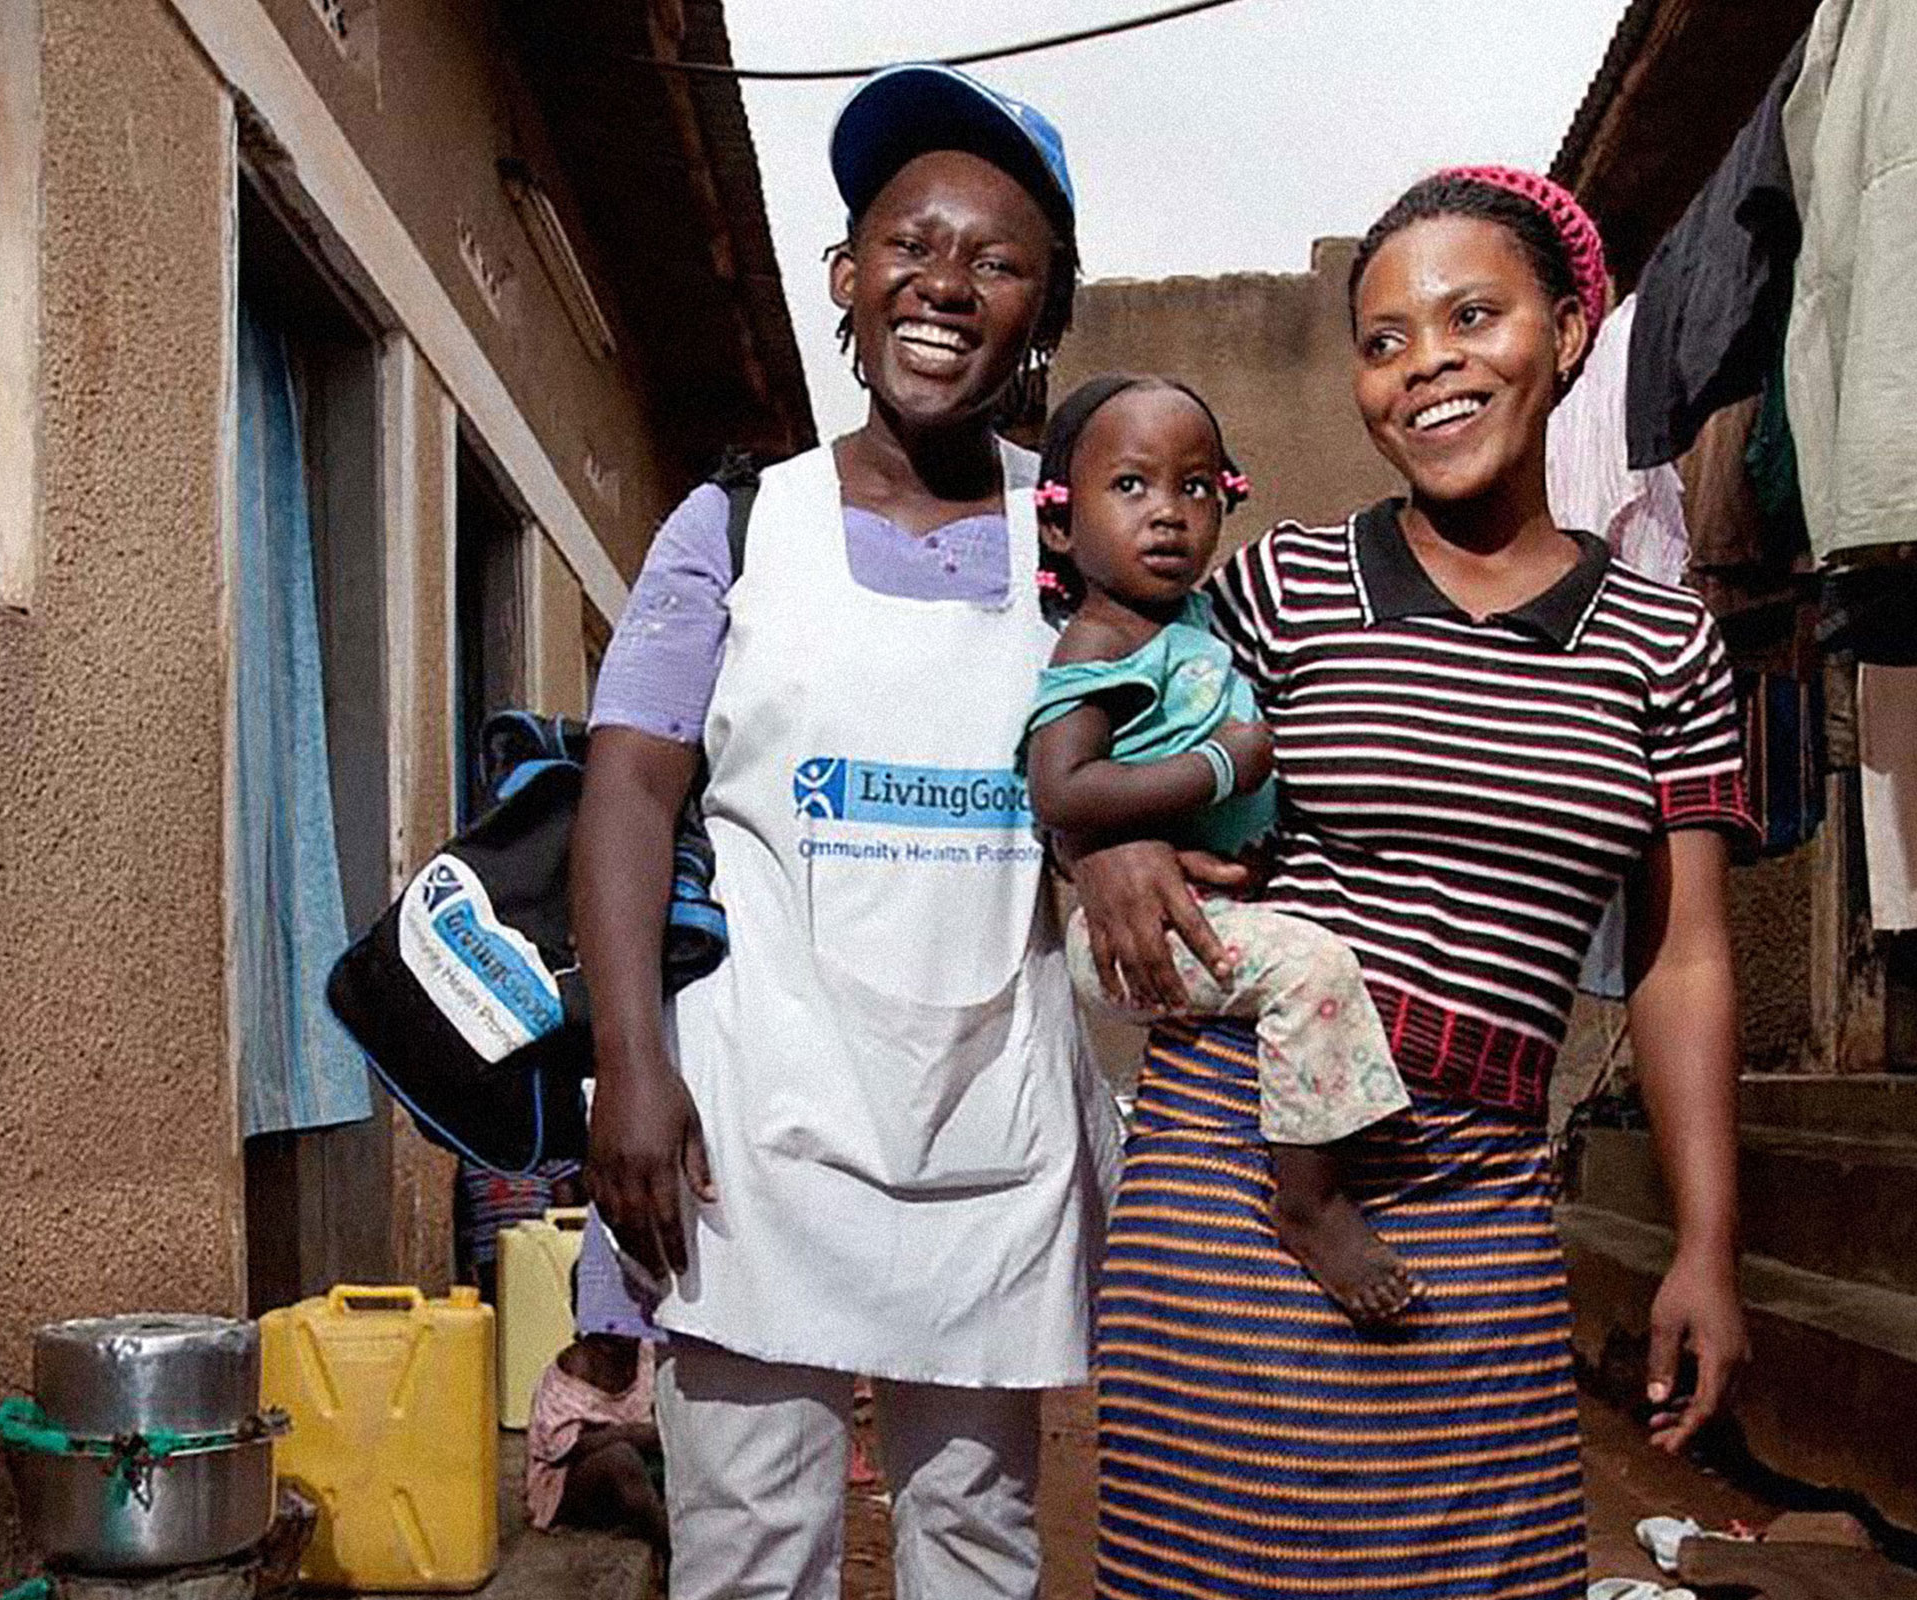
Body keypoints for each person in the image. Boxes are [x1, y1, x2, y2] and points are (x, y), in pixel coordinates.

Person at [1071, 168, 1752, 1598]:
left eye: (1472, 317)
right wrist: (1106, 839)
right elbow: (1089, 700)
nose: (1427, 363)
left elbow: (1683, 956)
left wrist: (1706, 1242)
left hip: (1482, 1191)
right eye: (1385, 341)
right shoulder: (1281, 588)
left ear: (1569, 333)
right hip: (1236, 1168)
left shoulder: (1666, 645)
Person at [570, 64, 1116, 1600]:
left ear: (1045, 314)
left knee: (976, 1540)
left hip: (994, 1132)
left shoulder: (1079, 539)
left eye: (997, 261)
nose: (944, 283)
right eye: (908, 244)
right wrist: (631, 1062)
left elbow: (1154, 778)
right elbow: (630, 789)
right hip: (754, 1128)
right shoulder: (739, 527)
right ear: (846, 277)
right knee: (750, 1545)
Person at [1018, 374, 1420, 1324]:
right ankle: (1309, 1201)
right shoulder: (1098, 646)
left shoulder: (1190, 622)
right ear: (1061, 525)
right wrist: (1219, 767)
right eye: (1131, 486)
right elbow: (1060, 787)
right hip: (1136, 929)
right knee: (1311, 970)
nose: (1167, 513)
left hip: (1202, 906)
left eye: (1194, 487)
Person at [523, 1331, 664, 1557]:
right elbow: (558, 1446)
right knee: (620, 1459)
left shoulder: (646, 1354)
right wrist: (627, 1434)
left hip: (638, 1468)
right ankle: (670, 1542)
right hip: (567, 1481)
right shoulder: (574, 1368)